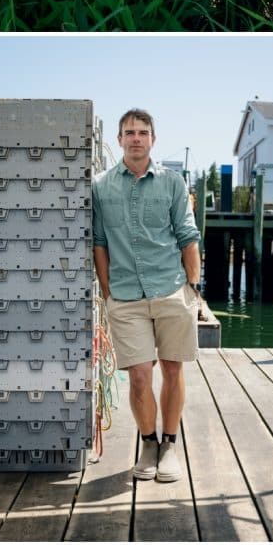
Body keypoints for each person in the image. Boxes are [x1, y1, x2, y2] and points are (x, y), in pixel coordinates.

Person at [92, 108, 201, 484]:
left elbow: (188, 237)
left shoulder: (173, 183)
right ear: (120, 140)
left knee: (172, 368)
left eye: (142, 132)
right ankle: (149, 443)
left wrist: (193, 286)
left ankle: (170, 445)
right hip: (125, 296)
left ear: (152, 139)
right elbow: (100, 244)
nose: (136, 138)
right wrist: (107, 293)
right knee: (139, 377)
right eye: (129, 132)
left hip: (171, 289)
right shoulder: (101, 187)